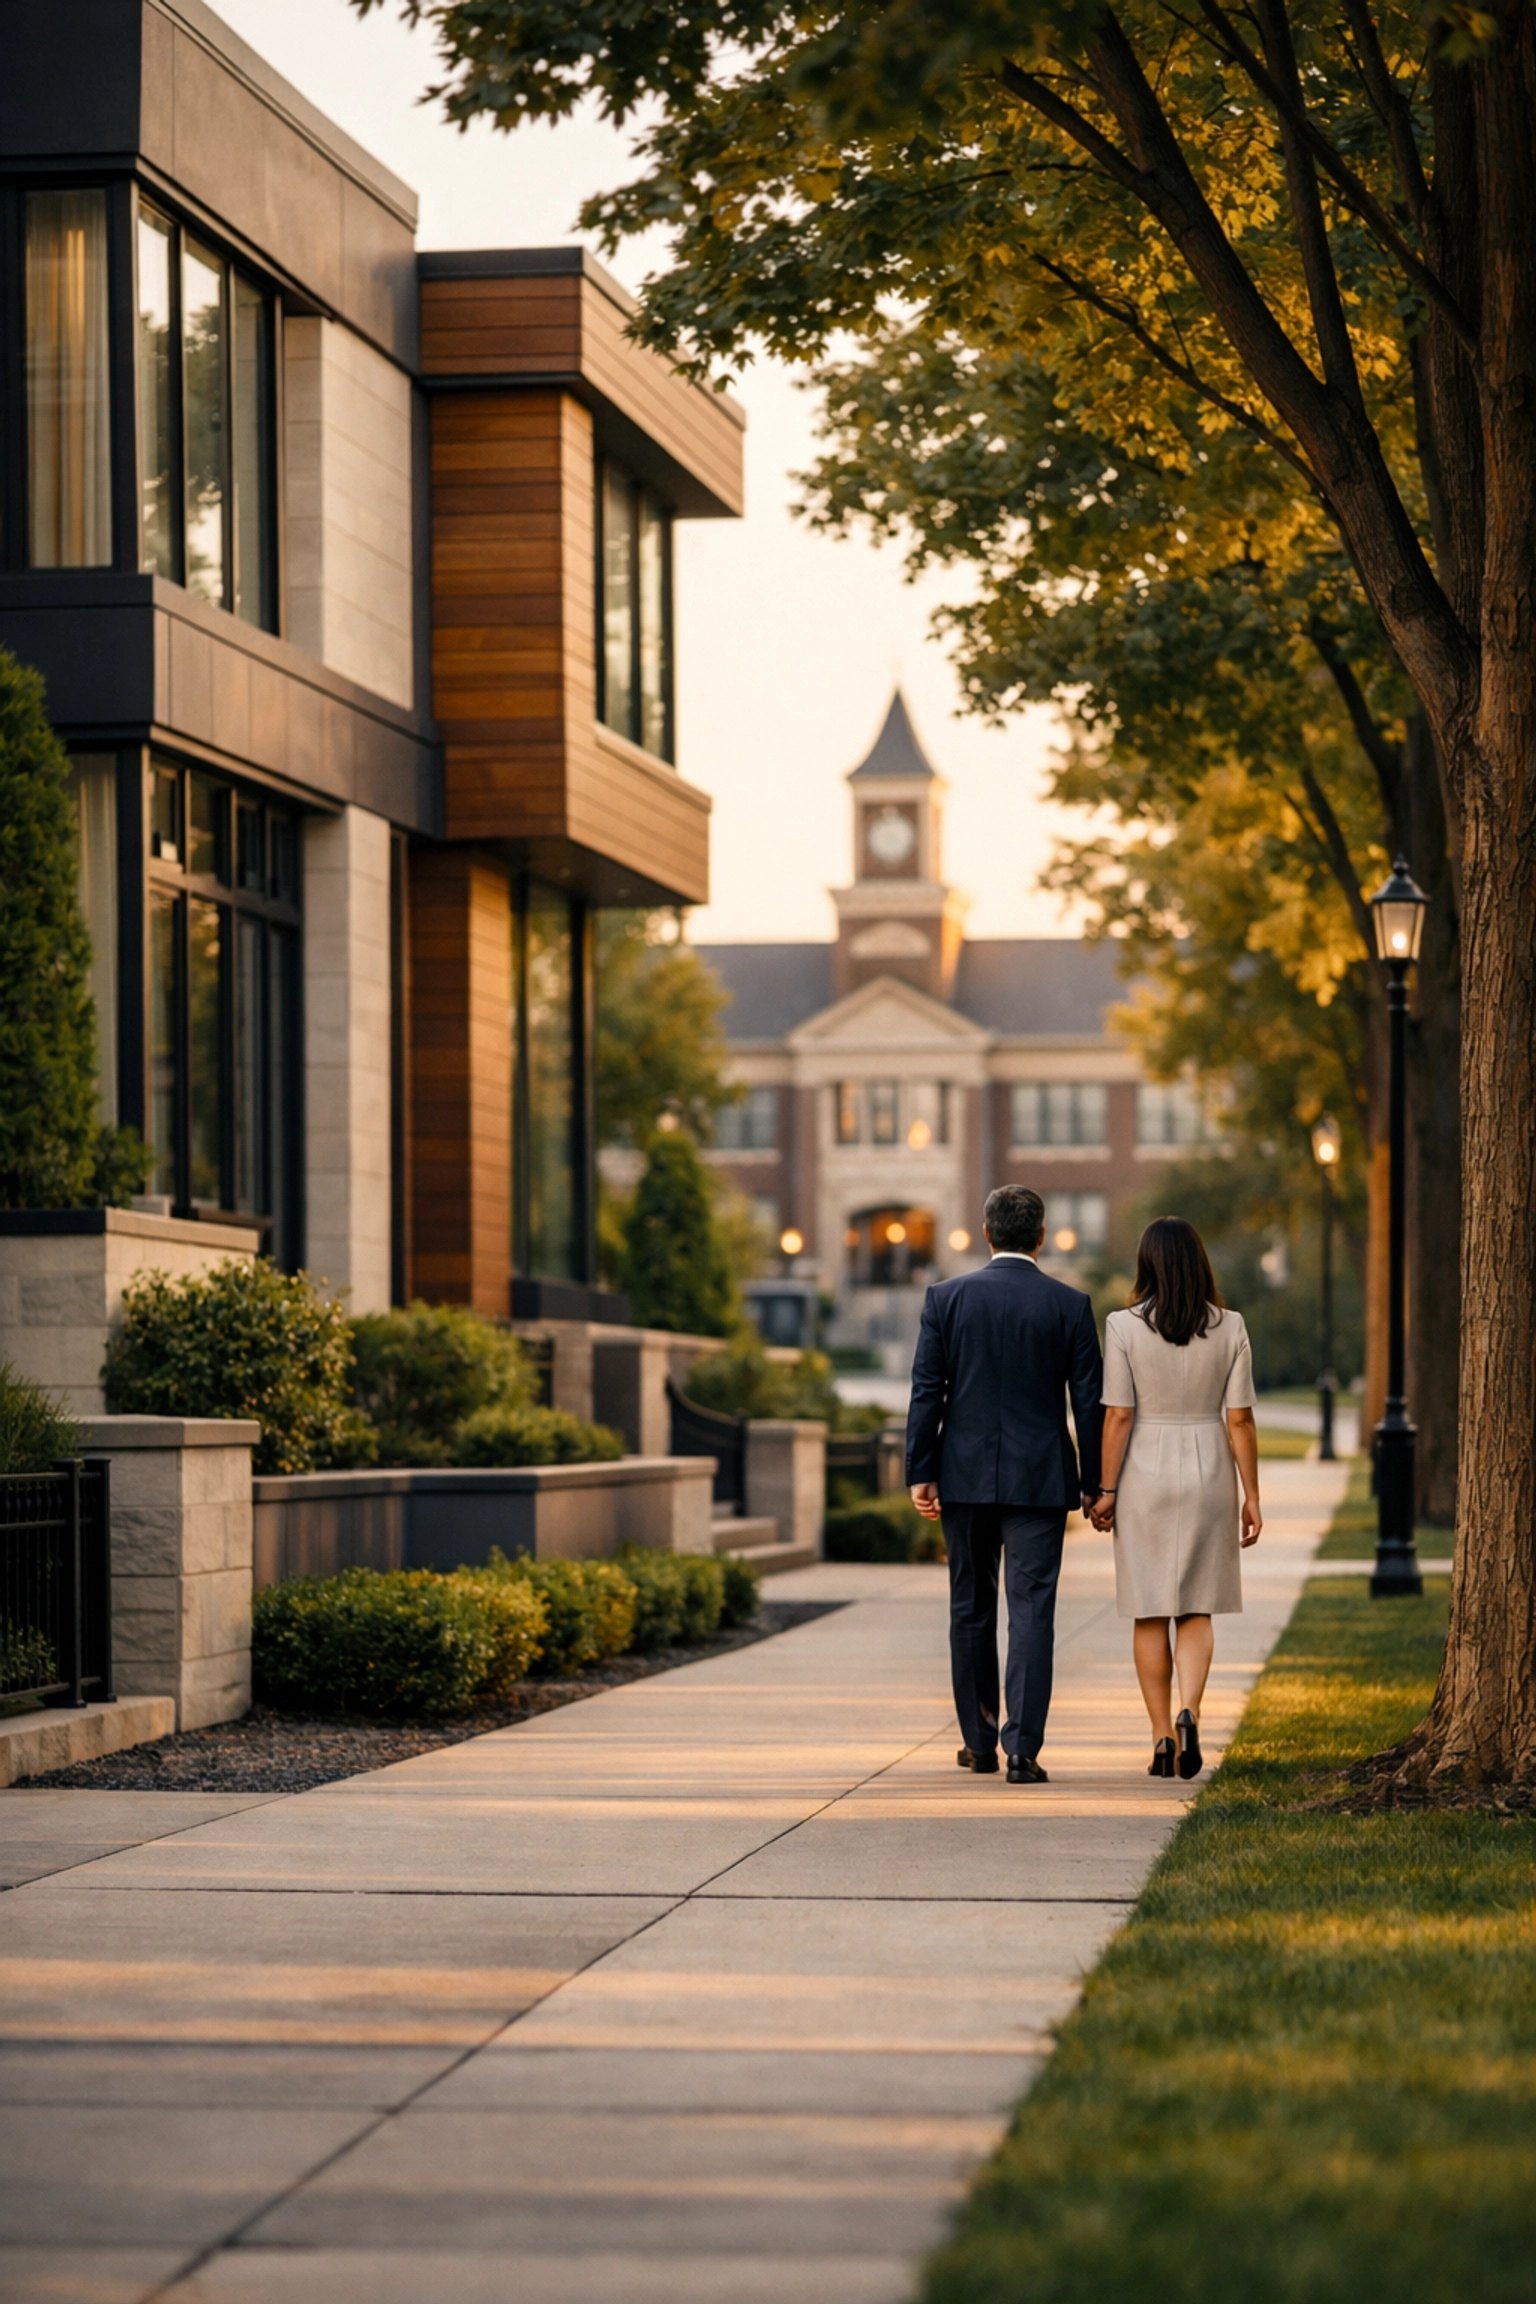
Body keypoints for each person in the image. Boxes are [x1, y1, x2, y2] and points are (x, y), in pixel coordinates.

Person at [907, 1184, 1103, 1785]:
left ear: (987, 1233)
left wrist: (921, 1470)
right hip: (1040, 1481)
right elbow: (1089, 1404)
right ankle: (1023, 1749)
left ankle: (978, 1743)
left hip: (962, 1478)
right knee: (1032, 1612)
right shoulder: (1069, 1305)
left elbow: (926, 1391)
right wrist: (1097, 1483)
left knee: (969, 1610)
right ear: (1040, 1237)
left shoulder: (946, 1298)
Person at [1090, 1216, 1262, 1781]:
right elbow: (1239, 1420)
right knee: (1196, 1605)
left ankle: (1162, 1735)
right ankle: (1191, 1708)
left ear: (1146, 1263)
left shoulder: (1122, 1325)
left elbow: (1117, 1414)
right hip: (1210, 1467)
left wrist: (1106, 1489)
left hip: (1145, 1473)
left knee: (1149, 1610)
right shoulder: (1231, 1325)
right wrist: (1252, 1496)